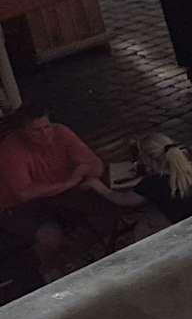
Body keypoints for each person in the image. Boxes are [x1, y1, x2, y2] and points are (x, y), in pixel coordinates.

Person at [0, 105, 161, 280]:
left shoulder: (60, 132)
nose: (45, 134)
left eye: (47, 127)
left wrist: (79, 174)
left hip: (60, 191)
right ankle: (48, 270)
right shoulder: (11, 150)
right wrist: (68, 182)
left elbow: (95, 165)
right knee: (50, 236)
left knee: (103, 211)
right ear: (23, 132)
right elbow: (25, 193)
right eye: (36, 131)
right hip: (19, 205)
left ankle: (86, 255)